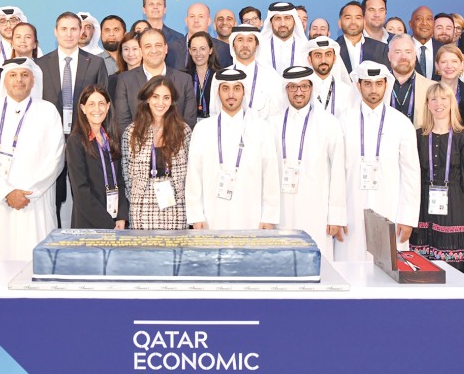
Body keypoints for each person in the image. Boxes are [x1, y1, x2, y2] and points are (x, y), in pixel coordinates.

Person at [0, 58, 65, 261]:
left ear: (33, 80)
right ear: (5, 80)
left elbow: (56, 158)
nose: (19, 80)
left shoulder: (48, 111)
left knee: (34, 260)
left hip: (34, 201)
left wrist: (29, 193)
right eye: (13, 75)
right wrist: (6, 192)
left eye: (24, 75)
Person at [335, 61, 421, 260]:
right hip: (351, 211)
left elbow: (411, 174)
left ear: (386, 84)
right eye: (367, 84)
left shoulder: (401, 123)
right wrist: (337, 216)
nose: (373, 89)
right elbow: (335, 172)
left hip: (390, 210)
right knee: (351, 269)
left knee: (388, 273)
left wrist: (407, 218)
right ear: (358, 86)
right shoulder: (343, 121)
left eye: (378, 84)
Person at [37, 12, 111, 225]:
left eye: (73, 29)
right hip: (51, 140)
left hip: (85, 139)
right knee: (54, 195)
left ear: (81, 31)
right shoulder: (41, 65)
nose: (69, 34)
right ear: (55, 32)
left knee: (85, 192)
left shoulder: (96, 63)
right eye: (64, 29)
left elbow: (103, 103)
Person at [186, 68, 280, 230]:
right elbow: (194, 175)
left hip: (252, 216)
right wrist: (196, 215)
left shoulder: (261, 128)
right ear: (218, 92)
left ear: (244, 92)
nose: (231, 95)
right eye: (225, 89)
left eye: (236, 88)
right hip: (211, 216)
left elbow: (270, 174)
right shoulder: (203, 129)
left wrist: (269, 216)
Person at [273, 66, 347, 259]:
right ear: (286, 89)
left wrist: (336, 217)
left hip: (317, 211)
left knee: (317, 265)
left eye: (304, 86)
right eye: (293, 87)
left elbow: (338, 172)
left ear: (311, 88)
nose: (299, 92)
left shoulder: (329, 123)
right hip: (281, 210)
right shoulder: (272, 123)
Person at [410, 83, 464, 277]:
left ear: (452, 103)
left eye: (443, 98)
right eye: (433, 99)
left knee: (452, 258)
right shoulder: (418, 136)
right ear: (427, 104)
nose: (438, 103)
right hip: (422, 203)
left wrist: (458, 201)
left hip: (454, 202)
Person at [121, 77, 193, 230]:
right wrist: (136, 198)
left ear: (172, 101)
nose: (161, 103)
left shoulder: (183, 131)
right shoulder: (132, 132)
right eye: (155, 96)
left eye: (166, 97)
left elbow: (191, 173)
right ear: (147, 98)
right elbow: (126, 175)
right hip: (142, 209)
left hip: (176, 206)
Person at [66, 85, 129, 229]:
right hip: (89, 221)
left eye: (101, 104)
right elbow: (80, 189)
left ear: (108, 107)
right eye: (91, 104)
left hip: (116, 220)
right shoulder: (76, 141)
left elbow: (120, 179)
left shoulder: (113, 137)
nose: (97, 109)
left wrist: (121, 216)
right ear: (83, 108)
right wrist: (107, 223)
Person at [114, 28, 196, 129]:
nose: (154, 50)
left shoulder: (184, 80)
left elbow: (189, 121)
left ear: (166, 48)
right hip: (135, 143)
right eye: (148, 46)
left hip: (176, 142)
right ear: (140, 51)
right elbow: (122, 122)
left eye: (158, 45)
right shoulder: (125, 80)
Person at [217, 24, 281, 120]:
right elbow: (215, 111)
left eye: (250, 40)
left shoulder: (271, 76)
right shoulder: (220, 77)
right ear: (233, 45)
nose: (245, 45)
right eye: (240, 40)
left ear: (257, 44)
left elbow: (277, 114)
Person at [386, 34, 431, 128]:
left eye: (408, 52)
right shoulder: (377, 86)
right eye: (397, 52)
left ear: (415, 56)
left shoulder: (430, 88)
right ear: (389, 56)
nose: (403, 57)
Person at [306, 37, 359, 116]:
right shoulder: (302, 90)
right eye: (318, 55)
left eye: (328, 55)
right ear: (309, 59)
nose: (323, 60)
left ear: (334, 58)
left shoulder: (346, 91)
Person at [435, 44, 464, 131]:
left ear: (462, 65)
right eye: (444, 62)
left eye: (454, 61)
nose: (449, 66)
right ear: (437, 65)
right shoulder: (427, 91)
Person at [337, 0, 389, 73]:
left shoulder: (381, 49)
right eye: (348, 18)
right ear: (339, 23)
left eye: (358, 18)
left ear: (364, 22)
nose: (353, 22)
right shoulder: (332, 49)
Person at [139, 0, 186, 70]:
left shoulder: (178, 38)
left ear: (164, 9)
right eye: (151, 4)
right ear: (144, 9)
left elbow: (180, 68)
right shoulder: (136, 35)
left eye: (159, 4)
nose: (155, 7)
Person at [258, 2, 310, 73]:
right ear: (270, 23)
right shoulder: (260, 48)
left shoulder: (304, 48)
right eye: (278, 18)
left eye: (287, 18)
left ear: (294, 22)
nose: (282, 24)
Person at [183, 31, 222, 120]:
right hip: (189, 126)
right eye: (194, 49)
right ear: (189, 51)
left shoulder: (220, 77)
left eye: (202, 49)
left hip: (214, 125)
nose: (198, 53)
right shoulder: (183, 77)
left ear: (210, 50)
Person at [178, 2, 230, 68]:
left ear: (209, 21)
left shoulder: (225, 49)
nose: (196, 20)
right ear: (186, 21)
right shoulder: (172, 49)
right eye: (192, 16)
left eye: (201, 16)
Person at [407, 6, 439, 79]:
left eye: (429, 19)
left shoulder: (443, 49)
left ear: (434, 23)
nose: (424, 23)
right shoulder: (402, 48)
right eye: (419, 19)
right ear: (410, 24)